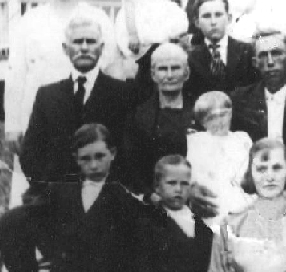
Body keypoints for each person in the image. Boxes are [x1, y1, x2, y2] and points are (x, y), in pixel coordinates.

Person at [5, 0, 119, 207]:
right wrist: (12, 124)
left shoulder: (97, 17)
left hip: (86, 109)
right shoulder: (29, 20)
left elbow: (111, 67)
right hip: (40, 112)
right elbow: (16, 73)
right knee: (38, 182)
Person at [0, 124, 146, 272]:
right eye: (85, 159)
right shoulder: (62, 190)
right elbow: (14, 220)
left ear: (112, 153)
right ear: (76, 159)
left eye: (99, 156)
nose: (93, 165)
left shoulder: (125, 196)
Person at [21, 16, 134, 193]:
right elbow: (31, 152)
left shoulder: (122, 93)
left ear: (101, 48)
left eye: (91, 41)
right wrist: (47, 191)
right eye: (77, 41)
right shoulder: (47, 95)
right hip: (56, 196)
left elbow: (129, 152)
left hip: (106, 196)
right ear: (65, 49)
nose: (84, 47)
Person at [208, 138, 286, 272]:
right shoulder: (230, 227)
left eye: (277, 168)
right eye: (261, 169)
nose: (270, 176)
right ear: (251, 174)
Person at [229, 29, 286, 196]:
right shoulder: (239, 100)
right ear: (255, 62)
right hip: (250, 191)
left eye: (277, 53)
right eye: (263, 55)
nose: (270, 62)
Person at [123, 43, 197, 195]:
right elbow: (133, 167)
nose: (169, 75)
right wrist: (152, 196)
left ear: (187, 73)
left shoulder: (199, 111)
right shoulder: (139, 117)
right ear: (153, 74)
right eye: (163, 69)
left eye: (175, 68)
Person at [186, 92, 252, 226]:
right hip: (213, 203)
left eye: (223, 115)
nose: (219, 121)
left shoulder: (242, 139)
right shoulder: (197, 141)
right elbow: (195, 175)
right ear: (202, 122)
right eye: (212, 117)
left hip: (243, 202)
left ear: (231, 114)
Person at [139, 155, 214, 272]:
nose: (178, 189)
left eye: (184, 183)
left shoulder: (201, 227)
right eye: (171, 183)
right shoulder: (149, 222)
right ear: (157, 187)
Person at [185, 0, 258, 98]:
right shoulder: (190, 58)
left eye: (218, 15)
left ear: (229, 18)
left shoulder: (247, 52)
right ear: (197, 22)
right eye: (206, 16)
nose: (213, 22)